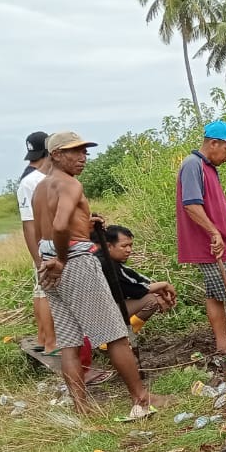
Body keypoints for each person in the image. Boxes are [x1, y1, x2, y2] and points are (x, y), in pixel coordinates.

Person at [33, 131, 170, 417]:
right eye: (75, 152)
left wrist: (81, 229)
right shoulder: (70, 184)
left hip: (49, 264)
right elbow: (60, 227)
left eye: (84, 151)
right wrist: (62, 258)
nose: (82, 157)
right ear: (56, 154)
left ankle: (82, 409)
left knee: (69, 342)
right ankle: (141, 398)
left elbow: (45, 230)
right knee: (115, 335)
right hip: (74, 263)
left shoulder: (41, 187)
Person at [176, 121, 226, 358]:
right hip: (210, 245)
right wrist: (214, 233)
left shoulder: (208, 167)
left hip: (216, 243)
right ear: (213, 143)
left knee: (215, 293)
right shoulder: (193, 165)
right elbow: (191, 204)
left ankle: (222, 345)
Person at [16, 131, 59, 355]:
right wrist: (37, 256)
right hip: (45, 246)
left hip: (42, 246)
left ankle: (44, 338)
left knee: (40, 290)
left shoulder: (31, 178)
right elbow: (28, 223)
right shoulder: (33, 181)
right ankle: (52, 343)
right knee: (46, 292)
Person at [98, 225, 177, 333]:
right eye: (124, 246)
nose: (129, 250)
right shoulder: (106, 264)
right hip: (98, 315)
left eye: (130, 245)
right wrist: (164, 285)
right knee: (150, 300)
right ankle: (120, 337)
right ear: (108, 246)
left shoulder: (104, 259)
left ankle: (118, 336)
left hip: (100, 309)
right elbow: (137, 290)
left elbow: (134, 278)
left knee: (151, 293)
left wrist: (158, 289)